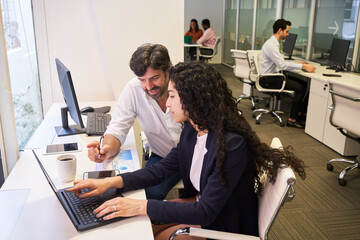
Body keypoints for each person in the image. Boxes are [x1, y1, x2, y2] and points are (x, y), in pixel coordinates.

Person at [68, 62, 306, 240]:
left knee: (149, 231)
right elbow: (161, 170)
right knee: (141, 228)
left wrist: (140, 206)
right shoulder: (192, 131)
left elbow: (205, 211)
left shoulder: (232, 145)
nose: (167, 103)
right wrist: (111, 182)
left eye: (172, 96)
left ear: (193, 99)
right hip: (203, 209)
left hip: (224, 225)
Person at [87, 43, 182, 200]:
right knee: (138, 194)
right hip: (163, 156)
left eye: (154, 78)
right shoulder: (133, 89)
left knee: (150, 195)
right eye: (142, 80)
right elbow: (117, 128)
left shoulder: (183, 88)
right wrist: (107, 149)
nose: (148, 86)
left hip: (192, 157)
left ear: (168, 71)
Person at [259, 18, 316, 128]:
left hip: (272, 77)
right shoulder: (271, 45)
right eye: (287, 31)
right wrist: (303, 66)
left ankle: (299, 113)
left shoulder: (274, 43)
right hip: (268, 80)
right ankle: (292, 119)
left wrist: (298, 63)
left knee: (304, 84)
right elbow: (282, 65)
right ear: (280, 30)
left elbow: (281, 62)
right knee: (300, 88)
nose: (288, 34)